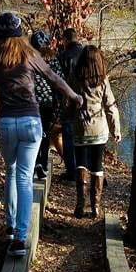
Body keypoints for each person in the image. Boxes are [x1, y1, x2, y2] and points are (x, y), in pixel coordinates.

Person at [0, 12, 82, 257]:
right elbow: (54, 79)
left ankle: (10, 227)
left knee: (10, 171)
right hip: (31, 122)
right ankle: (20, 239)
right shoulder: (29, 54)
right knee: (24, 178)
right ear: (20, 33)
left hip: (6, 122)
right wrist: (74, 96)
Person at [72, 45, 121, 219]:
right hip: (99, 130)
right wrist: (116, 130)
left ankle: (79, 205)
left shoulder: (75, 78)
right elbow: (110, 106)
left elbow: (67, 102)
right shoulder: (103, 80)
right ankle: (96, 207)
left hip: (80, 129)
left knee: (81, 164)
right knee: (97, 166)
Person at [30, 29, 65, 179]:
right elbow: (59, 80)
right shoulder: (53, 59)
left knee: (32, 133)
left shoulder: (28, 58)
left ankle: (33, 162)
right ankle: (43, 165)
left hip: (30, 101)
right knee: (44, 132)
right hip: (48, 101)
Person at [57, 27, 84, 182]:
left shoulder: (63, 57)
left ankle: (71, 171)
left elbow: (58, 80)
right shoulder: (87, 55)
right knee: (83, 137)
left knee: (68, 137)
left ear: (65, 40)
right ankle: (83, 170)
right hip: (85, 101)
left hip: (68, 101)